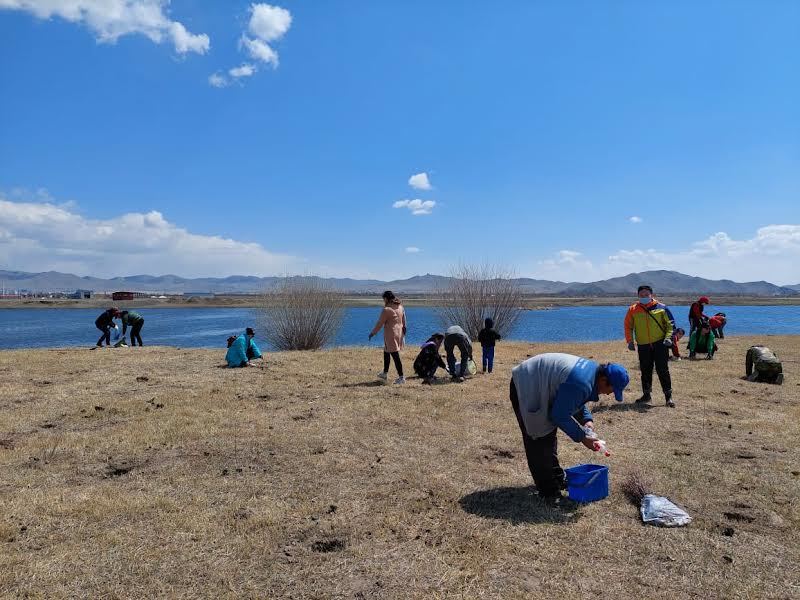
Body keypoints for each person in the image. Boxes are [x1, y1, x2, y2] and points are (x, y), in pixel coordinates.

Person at [510, 353, 629, 502]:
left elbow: (573, 398)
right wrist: (583, 438)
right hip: (526, 383)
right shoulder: (581, 382)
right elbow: (559, 415)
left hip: (540, 382)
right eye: (611, 389)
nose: (609, 393)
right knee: (538, 439)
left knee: (548, 436)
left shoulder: (591, 374)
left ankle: (557, 478)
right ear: (603, 380)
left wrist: (586, 420)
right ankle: (548, 492)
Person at [624, 285, 676, 407]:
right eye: (641, 295)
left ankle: (668, 397)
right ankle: (646, 395)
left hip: (660, 343)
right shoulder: (633, 309)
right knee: (645, 370)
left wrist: (668, 338)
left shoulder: (662, 307)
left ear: (651, 295)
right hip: (643, 345)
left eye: (646, 294)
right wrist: (630, 341)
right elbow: (628, 326)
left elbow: (671, 325)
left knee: (662, 370)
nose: (644, 297)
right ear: (638, 296)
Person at [369, 291, 407, 384]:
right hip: (399, 333)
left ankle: (401, 377)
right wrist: (404, 330)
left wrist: (373, 333)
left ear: (386, 299)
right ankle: (384, 373)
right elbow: (404, 320)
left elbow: (380, 323)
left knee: (395, 355)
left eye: (384, 299)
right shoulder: (400, 307)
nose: (383, 301)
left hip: (391, 335)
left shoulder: (387, 310)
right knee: (386, 351)